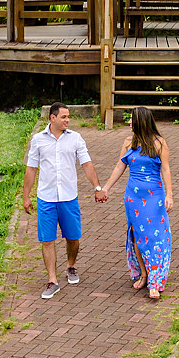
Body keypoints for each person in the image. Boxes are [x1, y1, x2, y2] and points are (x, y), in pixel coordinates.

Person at [22, 102, 109, 300]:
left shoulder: (76, 139)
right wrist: (26, 196)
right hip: (46, 198)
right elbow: (31, 169)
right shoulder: (38, 140)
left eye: (68, 117)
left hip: (69, 197)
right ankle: (52, 280)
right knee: (47, 240)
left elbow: (86, 164)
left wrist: (97, 188)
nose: (67, 120)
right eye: (63, 117)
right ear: (52, 118)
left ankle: (71, 265)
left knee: (73, 238)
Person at [99, 106, 174, 300]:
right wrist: (105, 188)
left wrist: (169, 195)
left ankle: (156, 281)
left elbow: (165, 170)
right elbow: (119, 167)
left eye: (131, 119)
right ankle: (143, 274)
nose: (129, 122)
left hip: (153, 198)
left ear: (141, 121)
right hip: (132, 197)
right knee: (137, 234)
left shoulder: (159, 143)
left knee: (154, 236)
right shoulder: (128, 142)